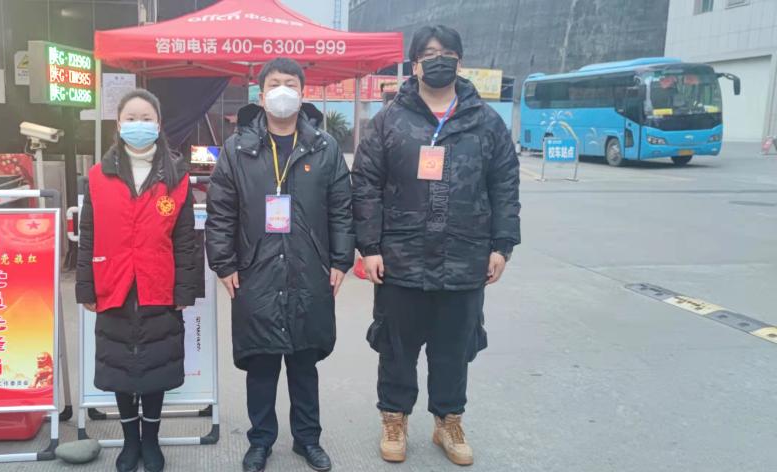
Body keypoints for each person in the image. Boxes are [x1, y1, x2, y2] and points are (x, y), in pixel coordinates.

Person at [352, 25, 521, 466]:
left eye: (446, 53)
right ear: (415, 65)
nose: (438, 59)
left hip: (465, 257)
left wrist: (502, 244)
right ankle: (394, 418)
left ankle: (448, 420)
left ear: (460, 62)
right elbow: (366, 184)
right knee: (397, 346)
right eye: (428, 54)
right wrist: (369, 246)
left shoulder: (485, 121)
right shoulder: (389, 120)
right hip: (401, 259)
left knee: (454, 348)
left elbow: (505, 184)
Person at [206, 58, 354, 472]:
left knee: (304, 363)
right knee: (262, 363)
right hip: (255, 271)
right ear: (261, 94)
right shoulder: (237, 149)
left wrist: (340, 259)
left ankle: (308, 439)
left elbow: (342, 208)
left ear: (303, 94)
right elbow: (221, 211)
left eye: (290, 83)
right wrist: (224, 264)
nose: (282, 91)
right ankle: (260, 441)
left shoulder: (324, 148)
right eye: (274, 84)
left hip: (309, 270)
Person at [75, 89, 200, 472]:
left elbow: (186, 239)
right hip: (113, 283)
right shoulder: (98, 177)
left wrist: (185, 289)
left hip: (158, 283)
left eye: (147, 118)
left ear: (159, 125)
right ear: (119, 124)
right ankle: (130, 441)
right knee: (119, 368)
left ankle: (151, 440)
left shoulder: (176, 177)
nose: (139, 125)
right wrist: (85, 286)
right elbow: (88, 234)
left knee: (155, 367)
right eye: (131, 118)